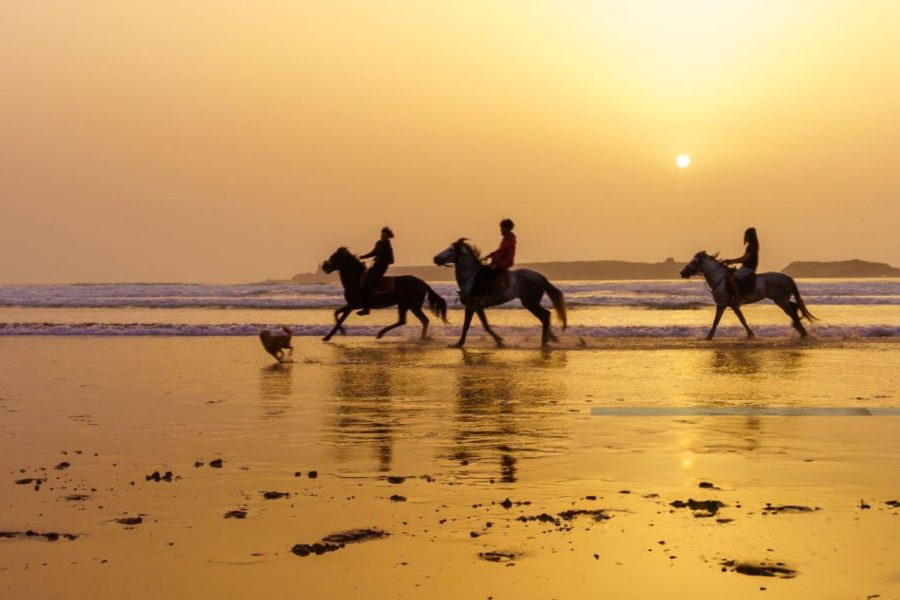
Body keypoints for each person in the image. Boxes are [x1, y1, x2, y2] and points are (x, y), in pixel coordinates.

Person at [470, 218, 516, 304]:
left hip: (503, 264)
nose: (500, 230)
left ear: (507, 228)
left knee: (482, 273)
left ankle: (478, 296)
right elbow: (500, 251)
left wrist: (498, 265)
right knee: (481, 270)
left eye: (502, 228)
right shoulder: (505, 239)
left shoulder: (510, 242)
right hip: (497, 263)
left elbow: (509, 259)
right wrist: (489, 256)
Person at [357, 226, 395, 315]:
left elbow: (391, 260)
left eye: (384, 235)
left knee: (370, 284)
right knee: (364, 279)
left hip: (382, 267)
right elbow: (373, 252)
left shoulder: (388, 246)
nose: (382, 236)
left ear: (387, 237)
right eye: (382, 235)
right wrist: (363, 256)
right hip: (375, 266)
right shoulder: (378, 243)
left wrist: (380, 259)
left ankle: (366, 309)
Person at [722, 227, 759, 304]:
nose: (744, 237)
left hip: (748, 268)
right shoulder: (752, 245)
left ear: (749, 236)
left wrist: (731, 261)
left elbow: (744, 259)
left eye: (746, 235)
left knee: (731, 279)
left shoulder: (751, 246)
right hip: (746, 267)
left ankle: (740, 297)